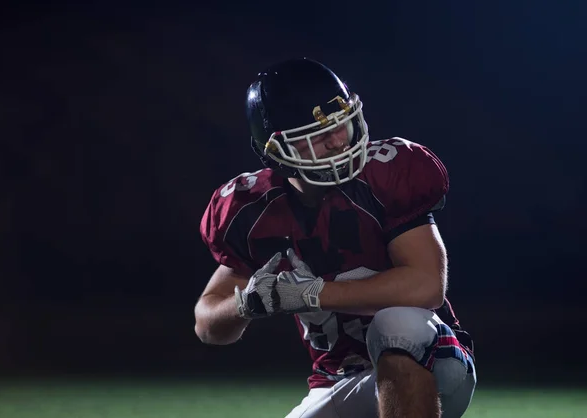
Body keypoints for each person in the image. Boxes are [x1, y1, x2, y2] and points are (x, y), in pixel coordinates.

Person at [194, 58, 477, 418]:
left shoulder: (384, 177)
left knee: (397, 324)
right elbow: (207, 324)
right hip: (340, 380)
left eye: (340, 125)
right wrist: (245, 305)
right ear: (277, 150)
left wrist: (311, 294)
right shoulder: (252, 210)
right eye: (317, 135)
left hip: (433, 361)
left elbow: (425, 285)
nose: (338, 141)